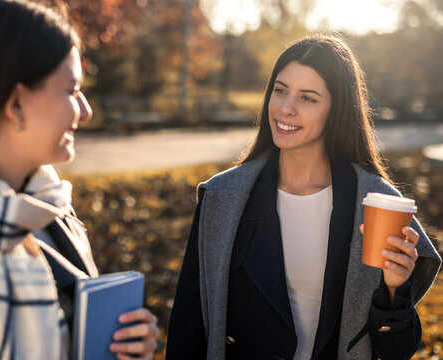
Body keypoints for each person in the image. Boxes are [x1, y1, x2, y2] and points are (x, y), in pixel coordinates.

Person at [0, 1, 158, 359]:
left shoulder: (50, 208)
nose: (85, 111)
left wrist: (126, 343)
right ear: (15, 103)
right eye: (71, 90)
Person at [166, 34, 441, 360]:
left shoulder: (374, 204)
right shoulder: (222, 198)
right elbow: (187, 329)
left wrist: (394, 290)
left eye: (308, 98)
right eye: (280, 91)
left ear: (336, 110)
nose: (286, 108)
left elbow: (396, 352)